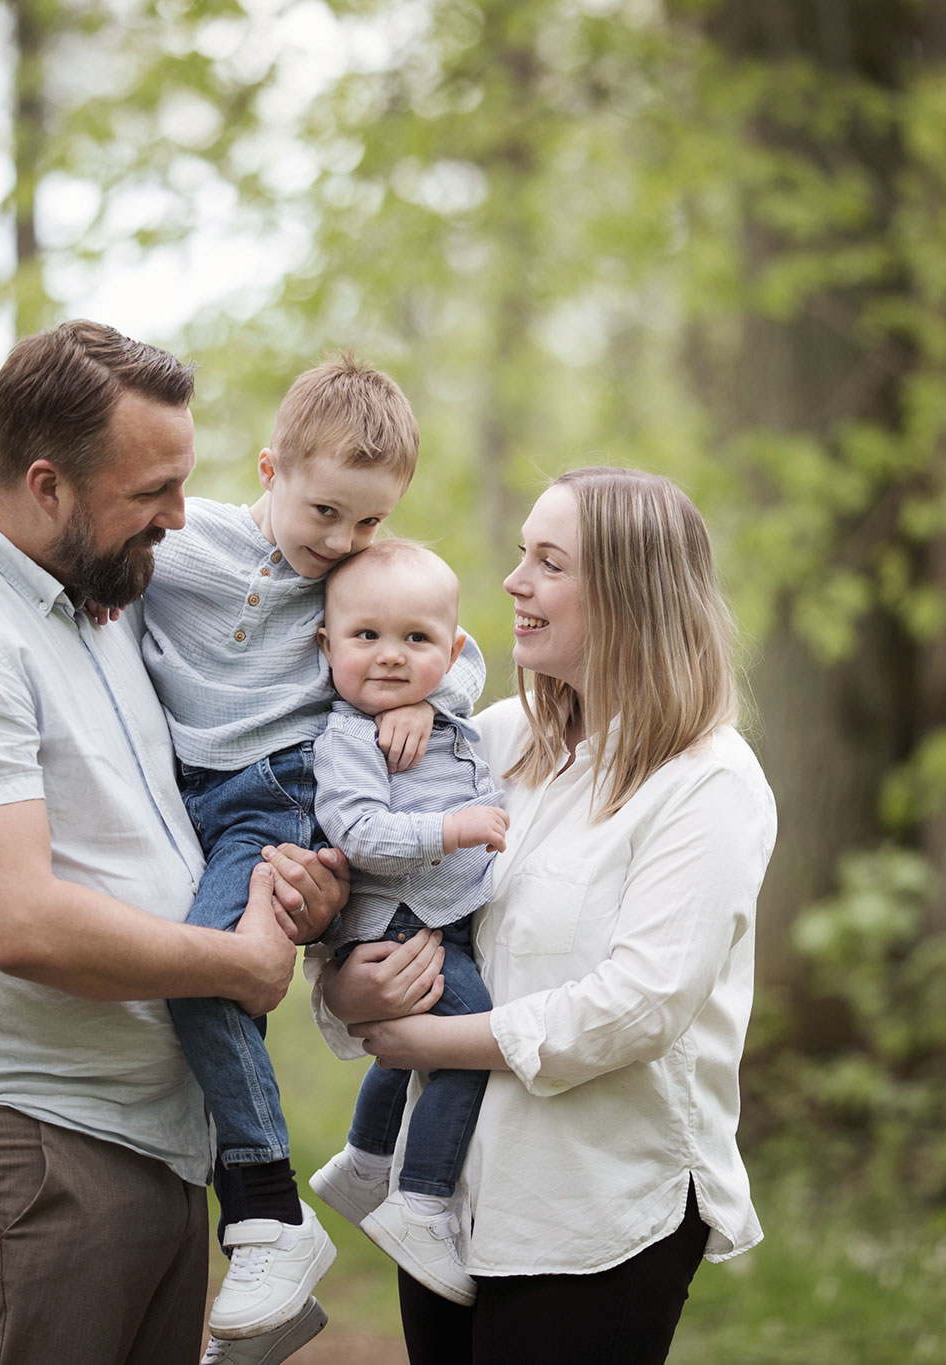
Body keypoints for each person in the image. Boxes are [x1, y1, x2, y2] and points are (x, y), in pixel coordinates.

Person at [0, 321, 351, 1365]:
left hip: (147, 1135)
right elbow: (20, 923)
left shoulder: (104, 598)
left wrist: (289, 885)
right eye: (150, 492)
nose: (179, 516)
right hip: (22, 1142)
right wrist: (237, 961)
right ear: (48, 486)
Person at [317, 466, 777, 1365]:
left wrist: (435, 1043)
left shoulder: (708, 781)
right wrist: (346, 987)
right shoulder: (491, 742)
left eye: (548, 563)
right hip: (446, 1201)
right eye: (523, 553)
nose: (513, 582)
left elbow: (639, 1003)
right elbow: (378, 888)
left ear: (629, 596)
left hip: (595, 1203)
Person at [131, 354, 484, 1341]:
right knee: (190, 983)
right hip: (176, 802)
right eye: (324, 511)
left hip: (273, 801)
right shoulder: (183, 542)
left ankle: (264, 1215)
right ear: (268, 468)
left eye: (368, 521)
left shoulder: (362, 575)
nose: (343, 542)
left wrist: (428, 699)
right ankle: (268, 1212)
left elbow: (445, 637)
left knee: (202, 976)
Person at [302, 541, 508, 1306]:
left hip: (433, 914)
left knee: (416, 1039)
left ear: (449, 653)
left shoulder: (438, 708)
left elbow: (465, 664)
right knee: (469, 1031)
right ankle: (420, 1201)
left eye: (415, 640)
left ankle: (362, 1163)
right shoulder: (348, 736)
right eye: (367, 637)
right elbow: (359, 834)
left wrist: (432, 697)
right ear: (326, 646)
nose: (390, 657)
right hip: (390, 922)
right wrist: (452, 829)